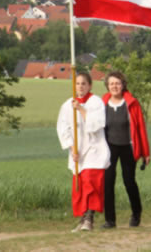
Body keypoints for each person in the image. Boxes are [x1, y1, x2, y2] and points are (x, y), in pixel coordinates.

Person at [57, 72, 110, 232]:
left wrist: (80, 108)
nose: (80, 87)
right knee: (80, 186)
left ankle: (89, 218)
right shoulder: (67, 105)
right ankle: (83, 219)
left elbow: (97, 124)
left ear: (89, 85)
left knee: (91, 184)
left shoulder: (96, 102)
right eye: (77, 84)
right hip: (78, 152)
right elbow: (63, 128)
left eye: (83, 84)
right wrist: (71, 148)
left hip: (94, 150)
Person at [100, 71, 150, 229]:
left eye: (117, 83)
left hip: (128, 147)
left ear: (123, 85)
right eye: (112, 83)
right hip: (109, 147)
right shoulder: (102, 103)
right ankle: (110, 220)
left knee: (129, 182)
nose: (114, 86)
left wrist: (146, 152)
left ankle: (136, 213)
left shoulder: (132, 103)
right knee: (108, 183)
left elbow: (140, 128)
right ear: (108, 86)